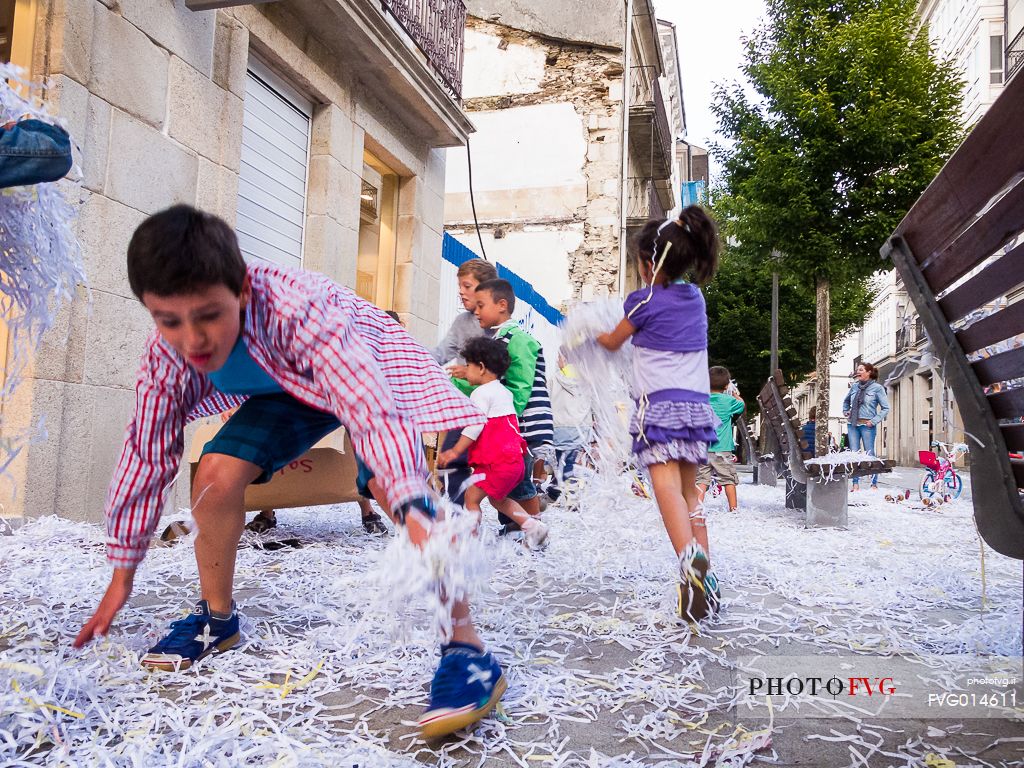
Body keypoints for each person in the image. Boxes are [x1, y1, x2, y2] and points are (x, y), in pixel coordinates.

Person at [72, 206, 505, 740]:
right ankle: (216, 618)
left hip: (360, 367)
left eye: (209, 316)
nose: (193, 341)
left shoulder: (299, 308)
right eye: (169, 321)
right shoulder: (167, 354)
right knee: (214, 474)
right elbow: (146, 454)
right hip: (283, 390)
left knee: (392, 487)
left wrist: (412, 502)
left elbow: (369, 411)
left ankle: (467, 650)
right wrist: (122, 572)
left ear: (244, 294)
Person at [596, 206, 722, 623]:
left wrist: (586, 333)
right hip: (695, 406)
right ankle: (706, 568)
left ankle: (690, 563)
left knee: (663, 485)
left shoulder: (642, 300)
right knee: (690, 492)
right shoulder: (695, 299)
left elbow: (613, 342)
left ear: (649, 264)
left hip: (659, 405)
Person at [437, 338, 549, 548]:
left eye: (468, 365)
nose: (465, 370)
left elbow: (474, 426)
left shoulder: (481, 393)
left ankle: (470, 541)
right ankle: (532, 526)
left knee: (471, 498)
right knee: (497, 500)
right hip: (513, 461)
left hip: (497, 463)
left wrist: (454, 452)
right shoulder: (504, 392)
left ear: (480, 368)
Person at [472, 279, 554, 536]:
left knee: (519, 482)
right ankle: (519, 524)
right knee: (509, 480)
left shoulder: (518, 339)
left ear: (502, 306)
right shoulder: (499, 339)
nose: (475, 311)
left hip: (524, 426)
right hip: (514, 427)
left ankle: (534, 525)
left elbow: (520, 388)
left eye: (480, 305)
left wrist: (504, 422)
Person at [432, 259, 498, 504]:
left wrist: (471, 373)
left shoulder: (500, 326)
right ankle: (458, 519)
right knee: (450, 461)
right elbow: (441, 352)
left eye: (466, 285)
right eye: (459, 285)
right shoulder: (462, 323)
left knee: (497, 469)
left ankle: (515, 523)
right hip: (462, 408)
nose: (460, 291)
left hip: (492, 412)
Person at [544, 352, 594, 504]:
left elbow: (547, 400)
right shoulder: (588, 380)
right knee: (566, 463)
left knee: (563, 464)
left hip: (560, 427)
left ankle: (570, 498)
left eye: (559, 357)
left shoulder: (554, 378)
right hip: (580, 428)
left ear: (564, 359)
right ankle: (555, 492)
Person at [697, 366, 745, 512]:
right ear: (726, 386)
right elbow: (741, 405)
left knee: (701, 480)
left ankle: (696, 509)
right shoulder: (729, 401)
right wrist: (736, 394)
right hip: (722, 448)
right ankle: (733, 508)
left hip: (703, 448)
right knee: (728, 479)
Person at [842, 362, 890, 491]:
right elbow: (846, 402)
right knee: (854, 454)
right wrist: (846, 411)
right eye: (857, 370)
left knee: (869, 453)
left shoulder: (877, 388)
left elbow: (886, 408)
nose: (858, 372)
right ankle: (855, 484)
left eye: (861, 369)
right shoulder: (854, 387)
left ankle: (873, 484)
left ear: (868, 372)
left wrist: (873, 421)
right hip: (852, 424)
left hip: (867, 425)